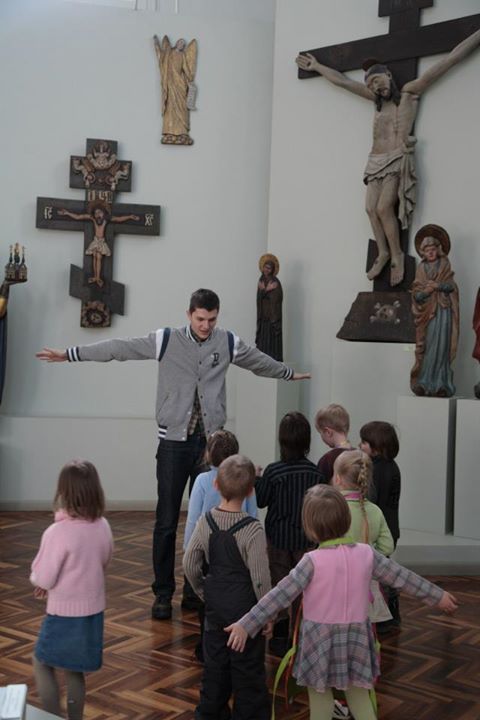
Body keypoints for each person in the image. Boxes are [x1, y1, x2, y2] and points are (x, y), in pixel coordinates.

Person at [36, 288, 310, 621]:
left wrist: (286, 373)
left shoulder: (226, 342)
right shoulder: (166, 340)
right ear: (189, 314)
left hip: (212, 447)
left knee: (210, 519)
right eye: (200, 319)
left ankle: (196, 591)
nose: (206, 325)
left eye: (211, 319)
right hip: (173, 445)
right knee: (166, 521)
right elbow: (119, 348)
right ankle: (163, 593)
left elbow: (256, 360)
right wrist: (71, 354)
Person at [225, 485, 457, 720]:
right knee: (360, 698)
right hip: (356, 638)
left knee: (321, 703)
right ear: (346, 519)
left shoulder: (311, 561)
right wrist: (437, 596)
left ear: (310, 527)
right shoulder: (366, 554)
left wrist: (246, 624)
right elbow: (403, 577)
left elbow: (279, 596)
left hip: (319, 641)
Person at [296, 29, 480, 286]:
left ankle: (397, 255)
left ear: (389, 75)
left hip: (396, 158)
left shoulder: (409, 93)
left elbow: (450, 60)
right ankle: (382, 252)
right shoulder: (376, 101)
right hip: (375, 159)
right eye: (370, 84)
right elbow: (344, 82)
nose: (375, 87)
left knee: (384, 207)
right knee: (370, 209)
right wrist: (317, 66)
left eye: (377, 80)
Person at [183, 455, 271, 720]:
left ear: (216, 485)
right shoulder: (253, 529)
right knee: (248, 674)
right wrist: (267, 614)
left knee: (214, 672)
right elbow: (260, 577)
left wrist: (202, 591)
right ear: (251, 491)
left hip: (215, 612)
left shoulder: (205, 521)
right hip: (246, 617)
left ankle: (211, 714)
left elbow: (189, 563)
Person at [30, 460, 113, 720]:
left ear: (63, 492)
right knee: (75, 669)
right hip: (92, 613)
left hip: (63, 616)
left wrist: (40, 582)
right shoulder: (103, 526)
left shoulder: (57, 532)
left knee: (41, 662)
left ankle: (52, 716)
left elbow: (44, 577)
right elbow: (104, 560)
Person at [183, 429, 257, 661]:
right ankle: (237, 639)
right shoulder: (247, 481)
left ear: (208, 455)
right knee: (238, 596)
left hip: (208, 552)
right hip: (239, 553)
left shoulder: (202, 480)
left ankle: (207, 646)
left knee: (209, 602)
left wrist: (189, 548)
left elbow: (193, 519)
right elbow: (253, 516)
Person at [255, 411, 324, 655]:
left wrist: (257, 479)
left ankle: (279, 635)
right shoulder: (315, 473)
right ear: (307, 441)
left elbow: (261, 500)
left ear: (281, 441)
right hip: (306, 539)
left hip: (278, 540)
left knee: (280, 585)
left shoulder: (273, 472)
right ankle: (299, 634)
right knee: (303, 588)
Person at [333, 450, 394, 624]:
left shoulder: (333, 509)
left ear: (338, 478)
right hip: (366, 581)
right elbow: (387, 547)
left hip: (337, 581)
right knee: (365, 628)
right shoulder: (375, 510)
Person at [360, 421, 402, 630]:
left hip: (380, 529)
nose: (360, 445)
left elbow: (372, 500)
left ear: (376, 446)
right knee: (384, 570)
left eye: (364, 442)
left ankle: (386, 617)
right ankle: (390, 614)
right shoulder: (392, 467)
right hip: (390, 527)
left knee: (381, 574)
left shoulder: (376, 470)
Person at [410, 225, 459, 397]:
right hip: (427, 313)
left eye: (433, 249)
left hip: (443, 310)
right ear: (423, 253)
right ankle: (424, 382)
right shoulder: (421, 269)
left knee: (442, 346)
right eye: (427, 250)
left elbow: (451, 287)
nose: (430, 252)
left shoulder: (444, 264)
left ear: (439, 250)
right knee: (428, 346)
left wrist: (438, 286)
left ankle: (441, 383)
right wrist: (426, 292)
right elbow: (416, 294)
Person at [57, 204, 139, 287]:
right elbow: (78, 217)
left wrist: (130, 217)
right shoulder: (93, 219)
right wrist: (67, 213)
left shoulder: (106, 220)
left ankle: (98, 277)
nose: (98, 215)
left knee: (99, 257)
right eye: (96, 213)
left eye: (99, 212)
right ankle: (95, 277)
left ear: (104, 213)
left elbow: (119, 219)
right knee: (95, 257)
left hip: (101, 242)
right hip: (95, 241)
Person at [154, 35, 198, 145]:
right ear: (177, 43)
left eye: (183, 44)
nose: (181, 45)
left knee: (182, 106)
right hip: (170, 83)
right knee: (170, 106)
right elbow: (161, 59)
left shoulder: (182, 55)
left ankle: (182, 131)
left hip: (180, 83)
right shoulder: (169, 53)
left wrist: (190, 78)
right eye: (180, 43)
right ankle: (169, 130)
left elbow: (185, 68)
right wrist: (156, 45)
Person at [255, 253, 283, 361]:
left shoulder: (275, 282)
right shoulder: (261, 280)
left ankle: (273, 358)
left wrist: (266, 291)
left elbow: (277, 298)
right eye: (265, 267)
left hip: (272, 316)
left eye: (269, 268)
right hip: (263, 315)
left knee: (271, 338)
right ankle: (262, 357)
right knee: (263, 337)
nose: (267, 270)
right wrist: (266, 290)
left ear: (273, 270)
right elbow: (259, 298)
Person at [315, 403, 353, 482]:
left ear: (328, 432)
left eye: (320, 433)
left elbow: (320, 488)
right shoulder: (360, 456)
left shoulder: (327, 460)